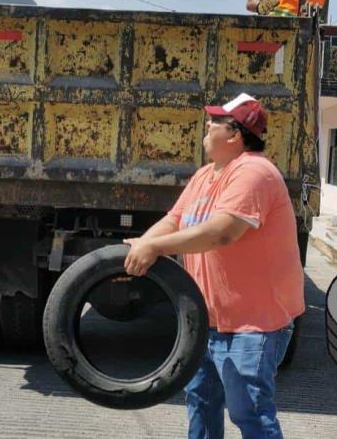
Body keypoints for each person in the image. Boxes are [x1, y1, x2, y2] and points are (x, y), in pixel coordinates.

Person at [124, 93, 304, 439]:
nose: (207, 125)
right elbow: (175, 220)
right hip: (207, 319)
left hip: (254, 324)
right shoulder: (207, 175)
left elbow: (222, 233)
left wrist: (154, 248)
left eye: (215, 122)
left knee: (249, 413)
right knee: (201, 405)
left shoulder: (255, 173)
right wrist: (140, 247)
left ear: (235, 135)